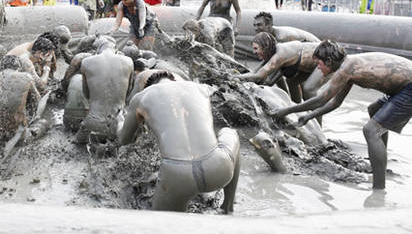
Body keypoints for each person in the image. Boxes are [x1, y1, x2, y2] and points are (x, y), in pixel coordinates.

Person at [271, 41, 412, 190]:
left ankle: (378, 189)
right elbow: (334, 103)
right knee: (374, 110)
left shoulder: (346, 69)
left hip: (408, 87)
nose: (318, 68)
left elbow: (321, 99)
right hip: (401, 87)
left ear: (329, 61)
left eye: (319, 64)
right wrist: (309, 116)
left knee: (371, 130)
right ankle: (380, 164)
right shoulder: (349, 66)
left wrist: (286, 110)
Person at [117, 72, 240, 212]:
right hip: (217, 168)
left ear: (146, 87)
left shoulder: (141, 97)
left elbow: (124, 140)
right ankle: (228, 206)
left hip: (176, 178)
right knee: (231, 133)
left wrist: (119, 121)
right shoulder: (199, 88)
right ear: (174, 79)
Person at [234, 32, 325, 105]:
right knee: (292, 82)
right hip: (308, 64)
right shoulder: (272, 53)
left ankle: (318, 125)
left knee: (308, 89)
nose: (254, 52)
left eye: (256, 48)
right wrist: (238, 76)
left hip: (326, 59)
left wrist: (233, 78)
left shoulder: (280, 54)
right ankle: (295, 110)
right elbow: (254, 72)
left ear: (265, 46)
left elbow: (258, 76)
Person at [75, 35, 133, 144]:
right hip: (119, 124)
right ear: (115, 49)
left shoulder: (86, 62)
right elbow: (129, 91)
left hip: (93, 124)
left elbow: (86, 94)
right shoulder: (128, 61)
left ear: (97, 50)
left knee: (77, 143)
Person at [253, 12, 320, 43]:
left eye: (259, 25)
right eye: (255, 25)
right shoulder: (271, 34)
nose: (256, 28)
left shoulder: (282, 37)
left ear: (269, 26)